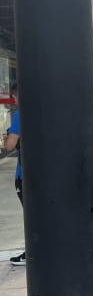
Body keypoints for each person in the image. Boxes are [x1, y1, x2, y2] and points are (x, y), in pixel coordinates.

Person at [5, 84, 24, 265]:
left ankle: (32, 253)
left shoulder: (20, 114)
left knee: (31, 216)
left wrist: (8, 134)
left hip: (24, 174)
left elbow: (10, 145)